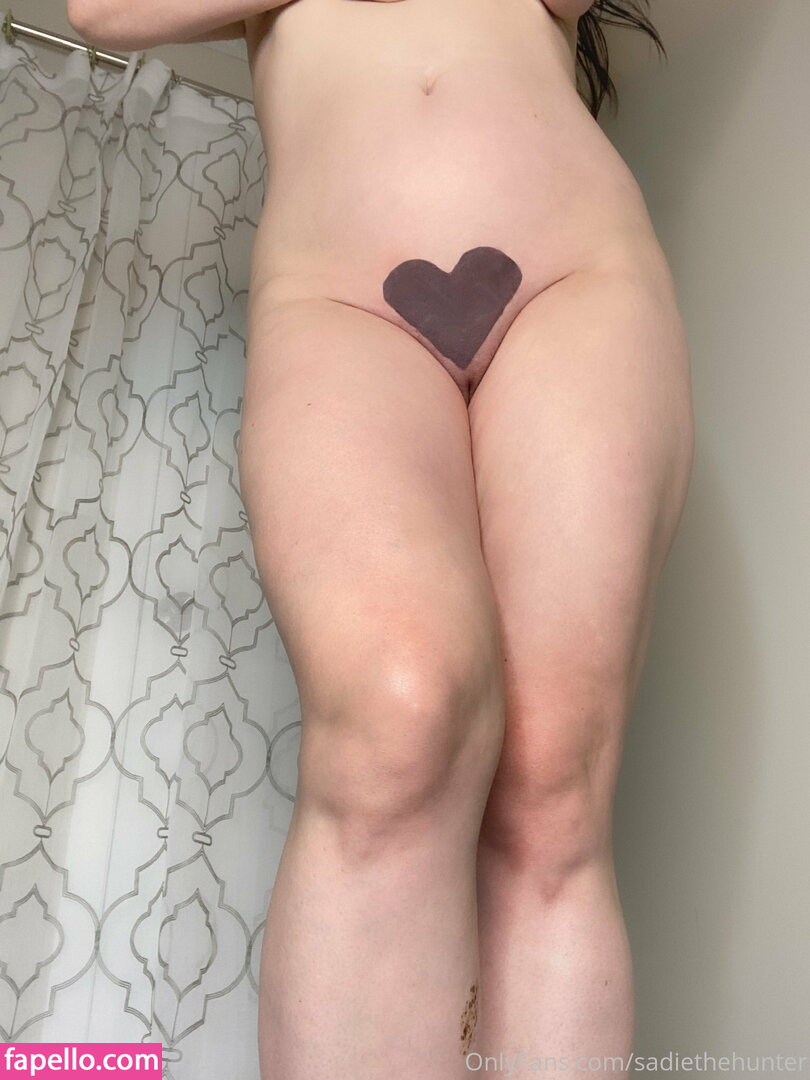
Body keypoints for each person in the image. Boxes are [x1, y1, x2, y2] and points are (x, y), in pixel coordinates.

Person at [67, 0, 695, 1075]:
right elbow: (104, 8)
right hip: (338, 296)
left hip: (574, 272)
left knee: (551, 781)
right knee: (395, 719)